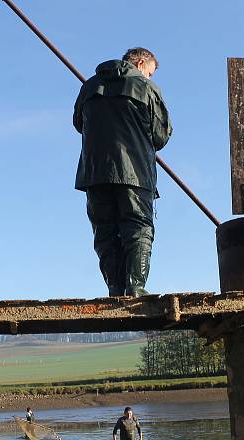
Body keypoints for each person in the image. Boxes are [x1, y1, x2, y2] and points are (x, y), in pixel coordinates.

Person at [73, 47, 172, 297]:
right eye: (149, 73)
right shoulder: (148, 89)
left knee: (105, 230)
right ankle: (135, 287)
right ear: (140, 64)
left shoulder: (89, 86)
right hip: (135, 173)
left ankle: (114, 289)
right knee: (138, 226)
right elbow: (161, 137)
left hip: (95, 173)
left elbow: (78, 124)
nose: (149, 78)